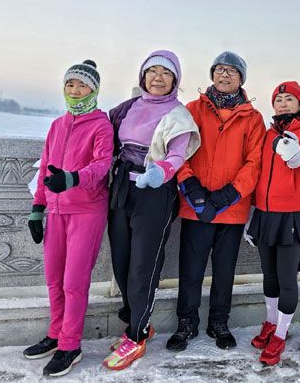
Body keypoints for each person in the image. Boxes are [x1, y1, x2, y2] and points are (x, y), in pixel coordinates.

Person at [104, 50, 200, 370]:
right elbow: (106, 140)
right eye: (152, 71)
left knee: (143, 265)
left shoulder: (178, 114)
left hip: (155, 191)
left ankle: (138, 334)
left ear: (175, 80)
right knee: (121, 259)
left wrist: (161, 172)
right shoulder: (127, 108)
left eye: (166, 73)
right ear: (143, 76)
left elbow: (177, 154)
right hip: (122, 188)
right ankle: (135, 319)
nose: (158, 78)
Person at [166, 51, 265, 352]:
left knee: (224, 272)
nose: (225, 75)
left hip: (232, 210)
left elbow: (254, 162)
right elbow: (177, 151)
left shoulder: (253, 118)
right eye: (220, 69)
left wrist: (229, 194)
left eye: (232, 71)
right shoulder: (192, 109)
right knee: (191, 270)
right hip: (196, 207)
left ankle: (219, 322)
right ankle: (186, 322)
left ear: (241, 78)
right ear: (212, 74)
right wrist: (192, 189)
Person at [23, 60, 114, 377]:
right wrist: (38, 208)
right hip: (57, 211)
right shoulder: (57, 125)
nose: (75, 90)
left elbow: (102, 165)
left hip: (87, 210)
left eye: (82, 85)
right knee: (53, 278)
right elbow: (45, 169)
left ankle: (70, 345)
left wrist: (73, 179)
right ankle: (56, 334)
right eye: (70, 84)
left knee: (74, 282)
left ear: (94, 90)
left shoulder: (101, 125)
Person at [247, 81, 300, 365]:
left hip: (292, 213)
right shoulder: (268, 134)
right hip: (265, 213)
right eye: (279, 99)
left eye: (289, 99)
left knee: (287, 278)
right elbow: (259, 172)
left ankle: (281, 333)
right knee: (269, 276)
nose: (283, 103)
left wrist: (295, 155)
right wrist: (253, 214)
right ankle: (270, 322)